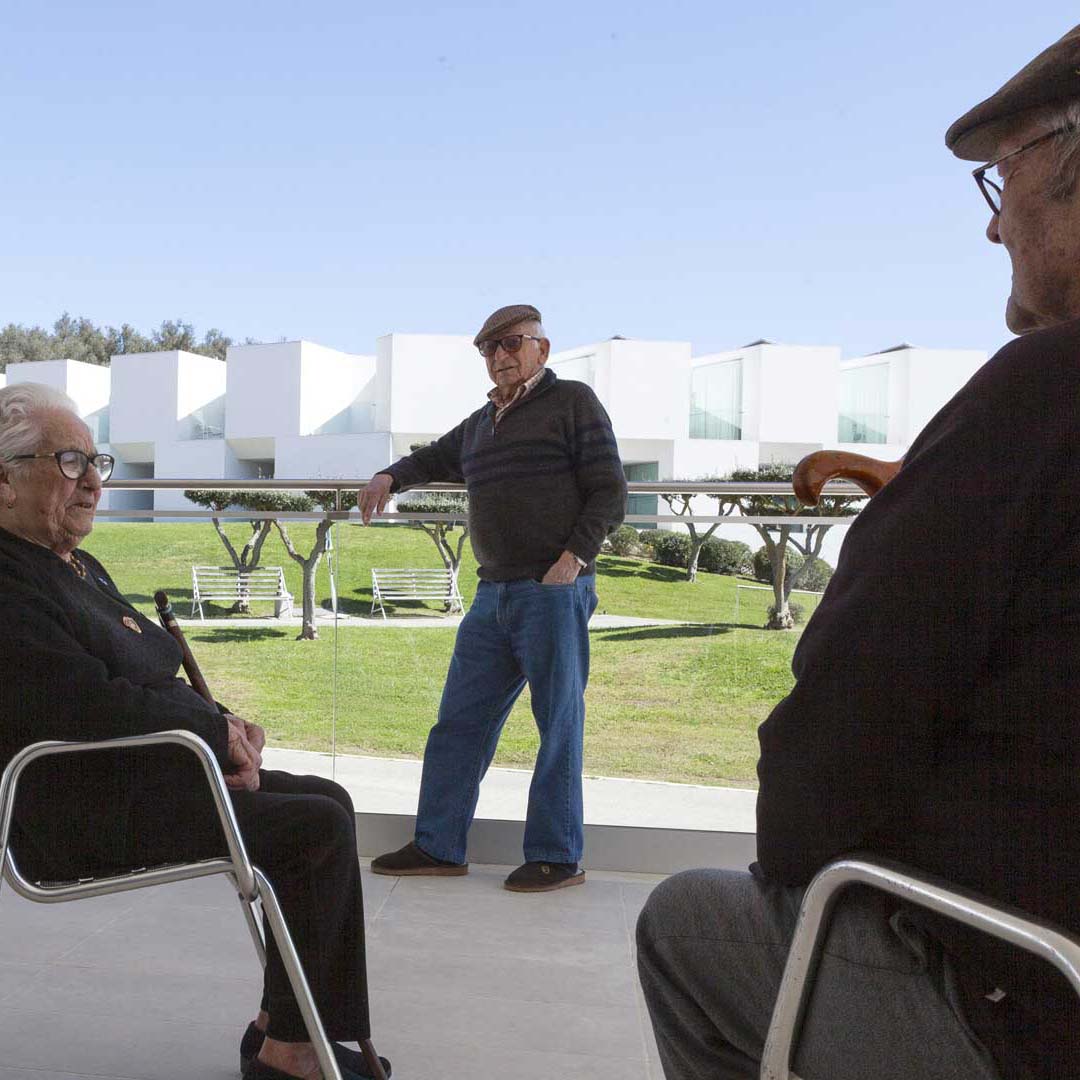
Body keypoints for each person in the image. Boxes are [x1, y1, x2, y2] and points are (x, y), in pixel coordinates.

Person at [636, 23, 1080, 1080]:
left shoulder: (1045, 392)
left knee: (688, 927)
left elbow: (840, 727)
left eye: (998, 178)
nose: (992, 231)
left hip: (1026, 1001)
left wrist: (800, 867)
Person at [0, 383, 390, 1080]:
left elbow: (148, 666)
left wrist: (222, 727)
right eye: (67, 461)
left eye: (96, 461)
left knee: (328, 799)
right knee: (312, 832)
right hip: (74, 808)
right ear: (4, 480)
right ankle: (292, 1055)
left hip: (140, 773)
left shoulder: (76, 565)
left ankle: (282, 1024)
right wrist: (210, 730)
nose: (92, 480)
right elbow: (88, 703)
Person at [359, 304, 626, 892]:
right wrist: (389, 476)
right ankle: (438, 845)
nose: (500, 356)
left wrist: (571, 561)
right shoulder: (484, 422)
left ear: (541, 349)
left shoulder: (573, 402)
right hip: (493, 595)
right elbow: (433, 456)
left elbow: (610, 489)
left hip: (553, 592)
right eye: (489, 349)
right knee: (459, 721)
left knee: (558, 724)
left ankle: (557, 856)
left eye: (511, 344)